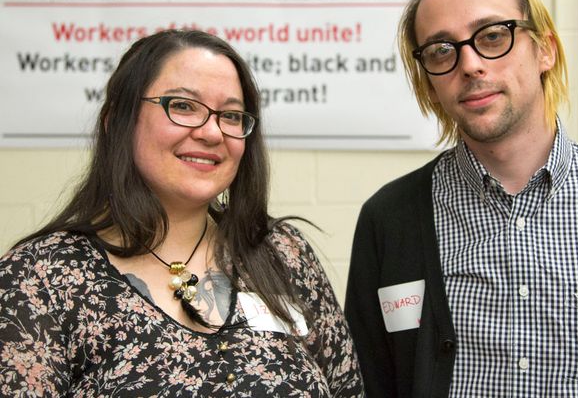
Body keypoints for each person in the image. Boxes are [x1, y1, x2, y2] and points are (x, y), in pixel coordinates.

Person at [0, 29, 364, 397]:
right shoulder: (39, 279)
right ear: (117, 121)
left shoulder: (281, 253)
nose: (212, 133)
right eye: (184, 106)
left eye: (231, 115)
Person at [345, 0, 578, 397]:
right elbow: (369, 380)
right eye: (442, 50)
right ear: (429, 84)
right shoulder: (389, 219)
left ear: (545, 50)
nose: (470, 65)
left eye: (493, 36)